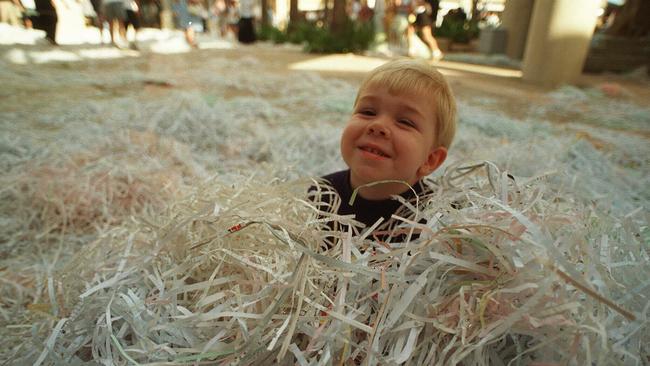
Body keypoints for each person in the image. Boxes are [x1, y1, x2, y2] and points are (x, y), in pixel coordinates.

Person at [310, 59, 456, 244]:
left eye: (405, 122)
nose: (378, 125)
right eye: (368, 112)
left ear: (430, 160)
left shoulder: (436, 223)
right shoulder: (321, 195)